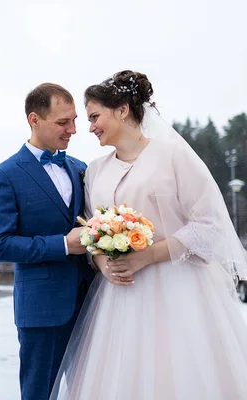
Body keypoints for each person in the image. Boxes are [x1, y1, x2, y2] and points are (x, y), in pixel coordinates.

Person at [50, 71, 247, 399]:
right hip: (116, 298)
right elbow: (90, 230)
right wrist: (102, 264)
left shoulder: (173, 155)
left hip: (180, 291)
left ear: (123, 110)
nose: (90, 127)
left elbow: (209, 225)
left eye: (95, 116)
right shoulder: (95, 170)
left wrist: (148, 255)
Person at [0, 83, 95, 400]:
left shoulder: (80, 168)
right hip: (42, 309)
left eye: (74, 120)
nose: (73, 129)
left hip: (93, 302)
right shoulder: (5, 174)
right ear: (35, 119)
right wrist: (62, 244)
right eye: (63, 122)